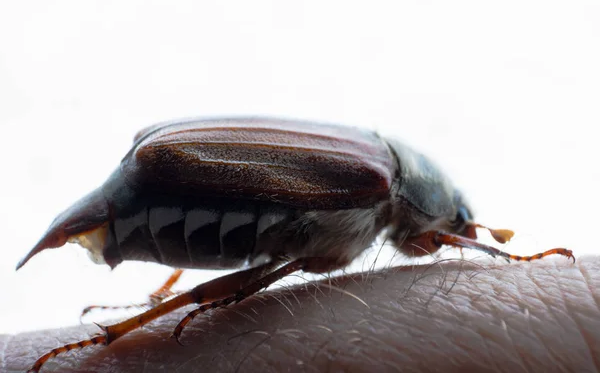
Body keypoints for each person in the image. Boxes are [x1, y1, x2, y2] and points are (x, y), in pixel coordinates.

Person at [4, 257, 599, 372]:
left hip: (179, 175)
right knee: (279, 267)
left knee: (276, 262)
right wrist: (503, 259)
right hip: (195, 176)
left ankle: (150, 310)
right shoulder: (370, 181)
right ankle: (122, 334)